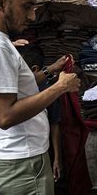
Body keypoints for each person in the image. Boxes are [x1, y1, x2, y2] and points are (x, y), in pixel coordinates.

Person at [0, 0, 81, 195]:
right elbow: (5, 115)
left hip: (3, 151)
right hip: (20, 164)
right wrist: (59, 88)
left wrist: (50, 71)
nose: (32, 16)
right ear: (1, 3)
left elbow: (14, 87)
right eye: (27, 7)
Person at [17, 43, 64, 182]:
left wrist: (57, 158)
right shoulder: (10, 88)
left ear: (34, 69)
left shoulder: (47, 91)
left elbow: (55, 124)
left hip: (39, 152)